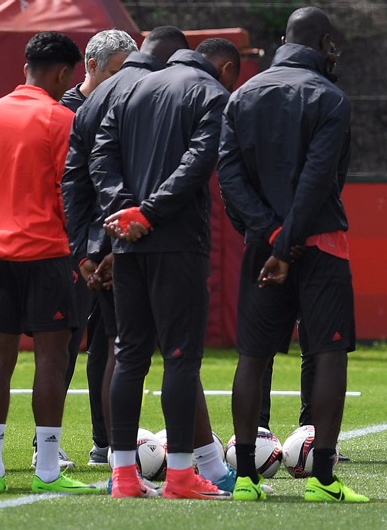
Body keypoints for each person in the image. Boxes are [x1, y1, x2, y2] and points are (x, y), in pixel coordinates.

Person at [219, 6, 367, 503]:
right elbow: (321, 177)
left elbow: (230, 177)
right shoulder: (331, 97)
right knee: (328, 353)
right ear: (323, 43)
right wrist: (290, 241)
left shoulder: (241, 94)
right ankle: (324, 480)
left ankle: (243, 478)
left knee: (252, 356)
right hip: (320, 242)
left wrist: (268, 235)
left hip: (263, 248)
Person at [91, 38, 241, 499]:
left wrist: (124, 212)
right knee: (180, 356)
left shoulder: (129, 88)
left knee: (130, 353)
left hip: (128, 243)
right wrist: (150, 213)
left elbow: (101, 156)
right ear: (227, 69)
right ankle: (179, 475)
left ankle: (122, 476)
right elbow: (198, 162)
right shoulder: (211, 92)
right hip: (176, 242)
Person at [64, 26, 193, 494]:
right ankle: (188, 464)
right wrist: (104, 242)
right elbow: (85, 182)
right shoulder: (136, 98)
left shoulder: (103, 103)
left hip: (112, 247)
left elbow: (83, 179)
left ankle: (116, 457)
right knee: (161, 351)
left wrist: (94, 247)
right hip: (123, 243)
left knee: (117, 348)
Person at [0, 31, 98, 495]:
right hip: (50, 254)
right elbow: (71, 193)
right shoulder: (60, 117)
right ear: (63, 73)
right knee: (51, 362)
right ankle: (48, 468)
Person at [56, 28, 138, 469]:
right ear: (91, 67)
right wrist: (78, 248)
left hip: (108, 244)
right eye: (116, 72)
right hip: (71, 245)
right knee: (64, 342)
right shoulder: (67, 112)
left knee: (108, 344)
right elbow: (67, 185)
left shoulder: (124, 108)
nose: (125, 80)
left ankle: (104, 442)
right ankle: (43, 444)